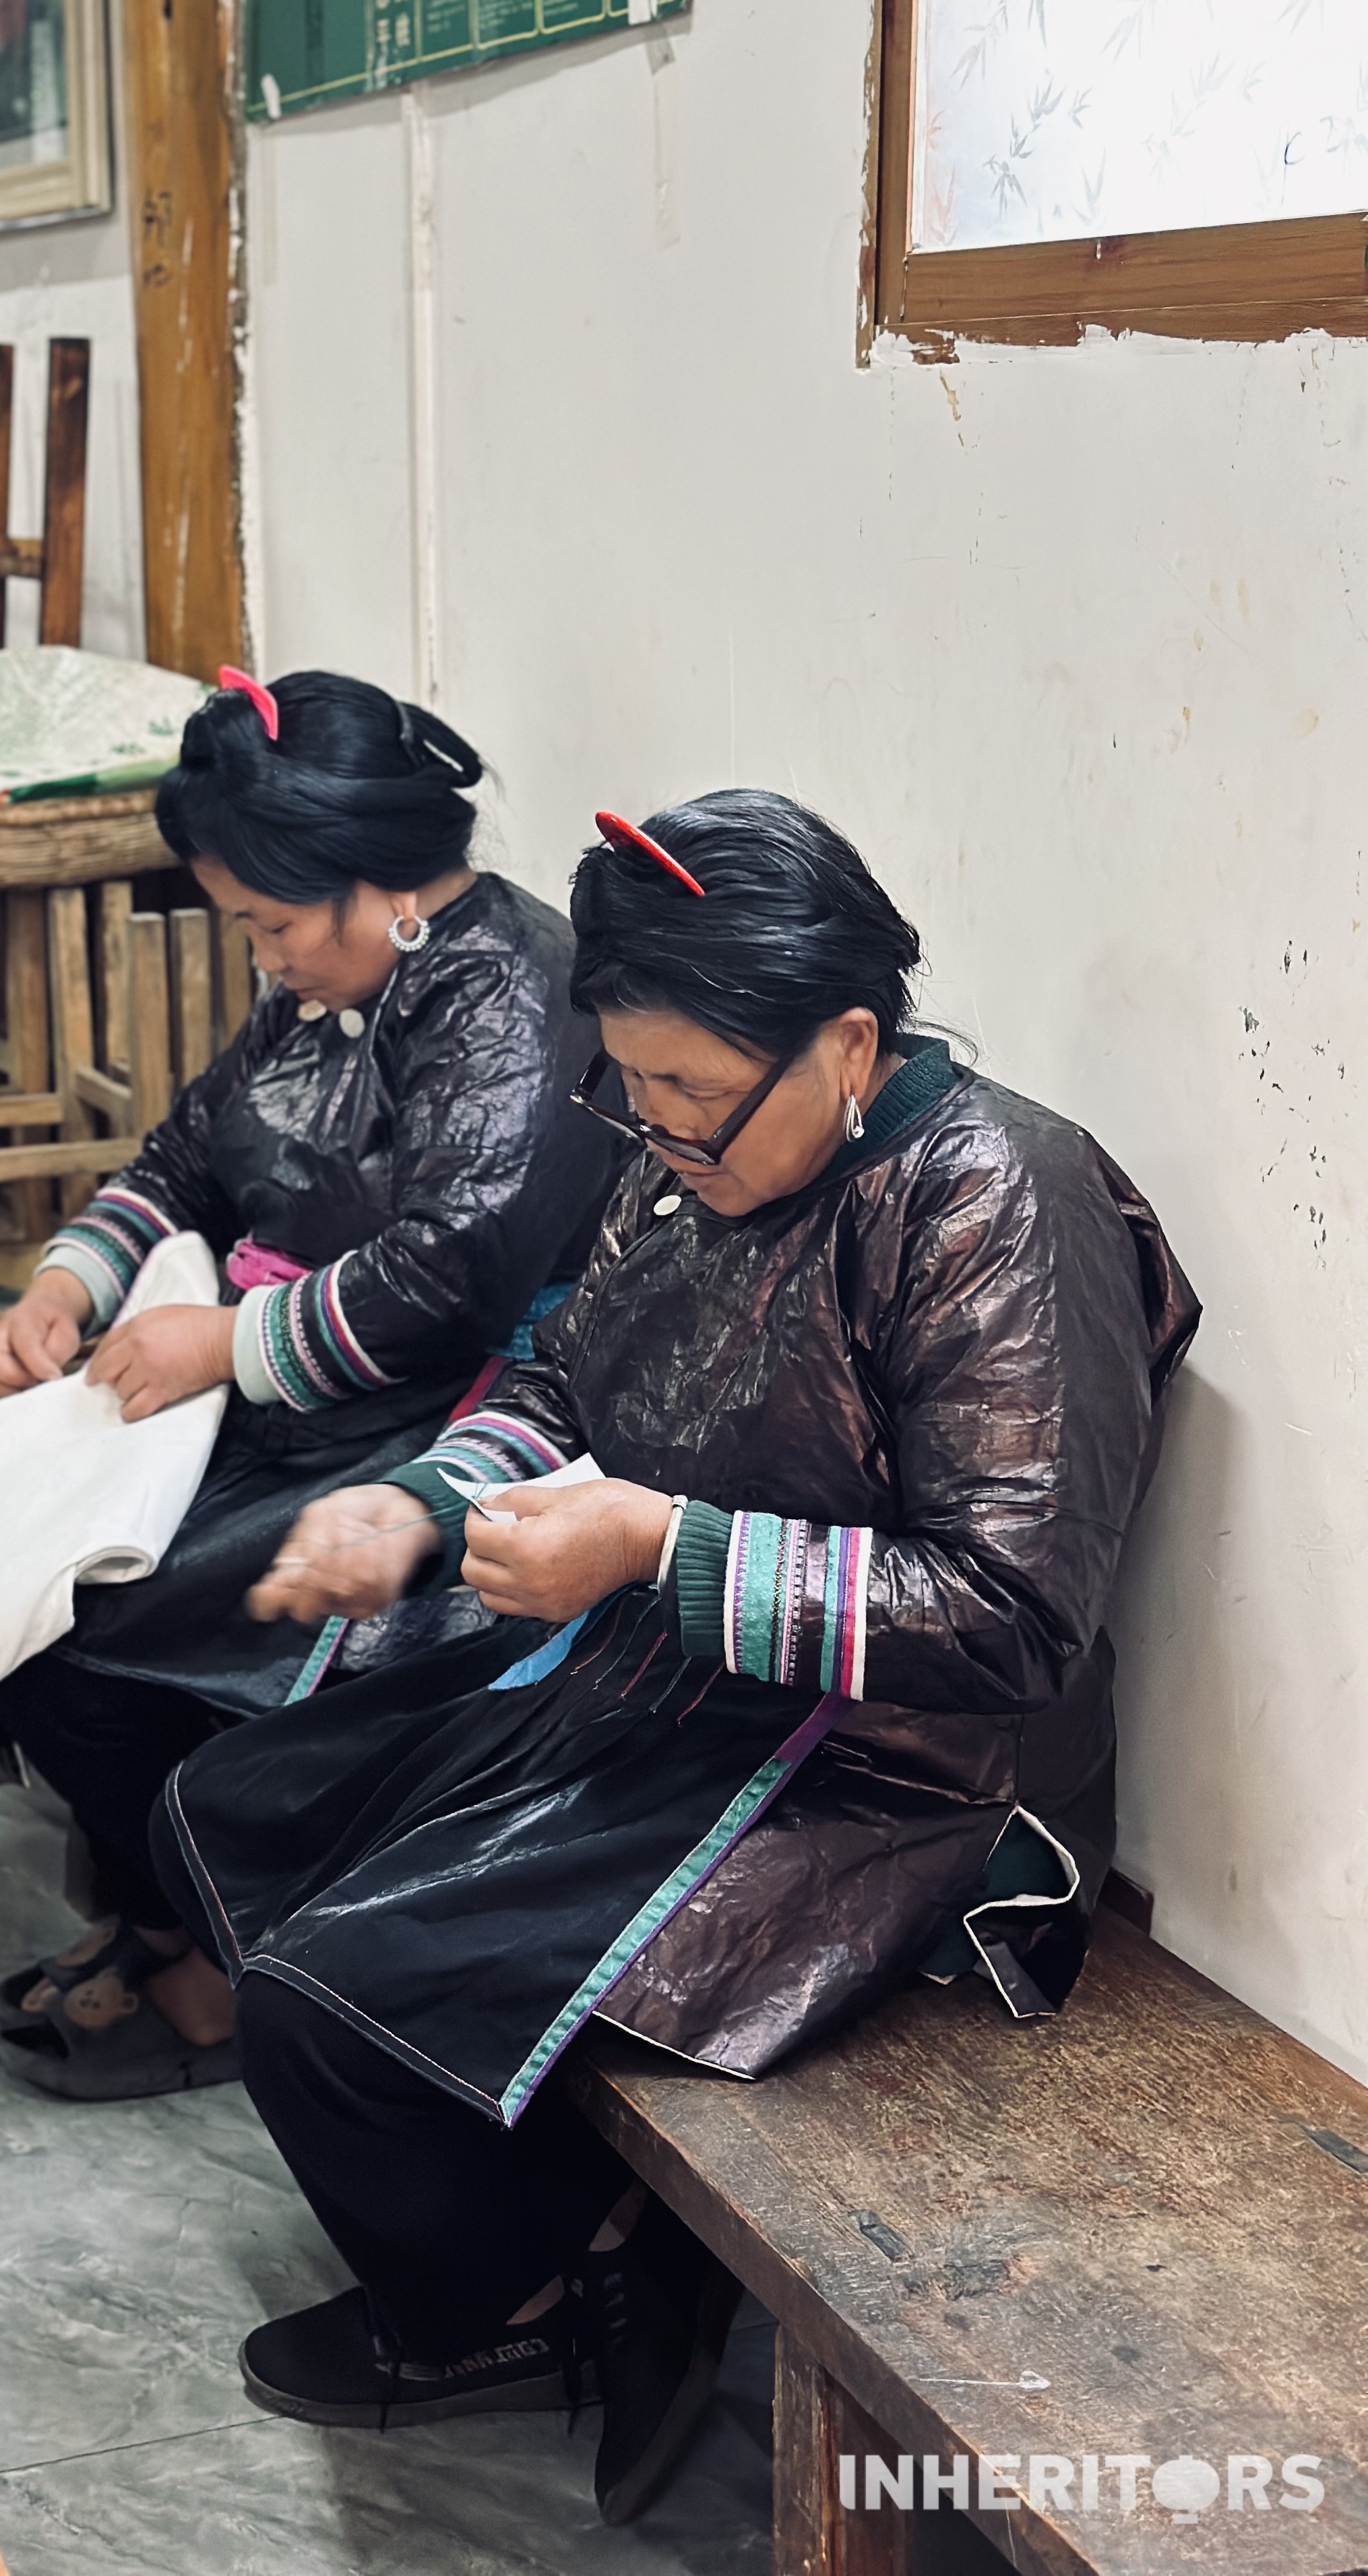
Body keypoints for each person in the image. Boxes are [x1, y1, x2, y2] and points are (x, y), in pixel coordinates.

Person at [151, 788, 1200, 2523]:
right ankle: (583, 2241)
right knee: (244, 1798)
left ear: (849, 1042)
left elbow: (1012, 1615)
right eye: (631, 1086)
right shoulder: (688, 1152)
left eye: (694, 1096)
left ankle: (517, 2296)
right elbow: (565, 1378)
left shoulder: (999, 1196)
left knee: (328, 2000)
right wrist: (418, 1507)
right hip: (686, 1685)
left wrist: (655, 1547)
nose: (656, 1135)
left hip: (894, 1780)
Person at [0, 669, 623, 2099]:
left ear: (365, 884)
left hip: (446, 1433)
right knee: (16, 1585)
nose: (260, 959)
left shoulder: (511, 995)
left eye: (266, 924)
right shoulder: (336, 986)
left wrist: (225, 1345)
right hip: (298, 1407)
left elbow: (455, 1273)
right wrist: (64, 1289)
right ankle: (170, 1928)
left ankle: (200, 1964)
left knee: (79, 1635)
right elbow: (187, 1158)